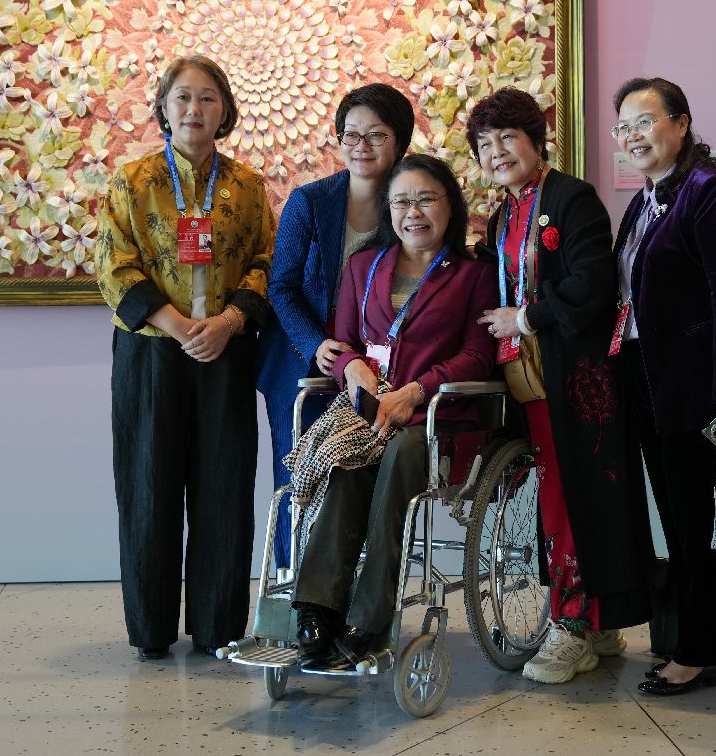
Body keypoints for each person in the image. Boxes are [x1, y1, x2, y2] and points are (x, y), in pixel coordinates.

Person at [467, 87, 653, 685]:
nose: (497, 152)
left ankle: (573, 625)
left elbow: (593, 281)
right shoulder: (503, 215)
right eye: (485, 144)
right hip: (531, 379)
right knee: (564, 498)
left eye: (508, 137)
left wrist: (525, 317)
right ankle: (596, 622)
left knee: (578, 500)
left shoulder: (572, 198)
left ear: (535, 140)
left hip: (577, 379)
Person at [95, 54, 276, 660]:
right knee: (148, 484)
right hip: (151, 352)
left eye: (207, 98)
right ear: (164, 108)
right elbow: (114, 267)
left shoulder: (248, 186)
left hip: (225, 349)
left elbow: (266, 263)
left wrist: (227, 323)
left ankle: (219, 626)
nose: (194, 109)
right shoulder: (133, 180)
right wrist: (176, 327)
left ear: (225, 111)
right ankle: (150, 630)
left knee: (224, 483)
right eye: (183, 97)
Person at [290, 154, 495, 668]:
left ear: (450, 205)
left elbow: (478, 356)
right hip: (372, 414)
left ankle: (370, 613)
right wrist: (351, 367)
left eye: (426, 199)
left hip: (438, 422)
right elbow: (343, 342)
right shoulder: (363, 266)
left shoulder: (473, 274)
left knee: (401, 450)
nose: (413, 212)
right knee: (346, 463)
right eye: (402, 201)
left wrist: (418, 391)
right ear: (388, 209)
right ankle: (317, 606)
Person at [608, 77, 716, 698]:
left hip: (705, 389)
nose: (632, 136)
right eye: (623, 127)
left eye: (645, 122)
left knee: (708, 520)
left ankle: (699, 651)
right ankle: (710, 638)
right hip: (654, 382)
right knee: (679, 515)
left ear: (681, 123)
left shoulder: (709, 193)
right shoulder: (646, 200)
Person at [256, 83, 415, 569]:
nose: (361, 146)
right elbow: (280, 286)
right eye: (351, 134)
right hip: (303, 362)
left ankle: (346, 591)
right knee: (298, 477)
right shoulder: (310, 201)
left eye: (376, 135)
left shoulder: (409, 204)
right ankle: (290, 584)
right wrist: (315, 342)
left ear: (400, 141)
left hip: (373, 366)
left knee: (355, 479)